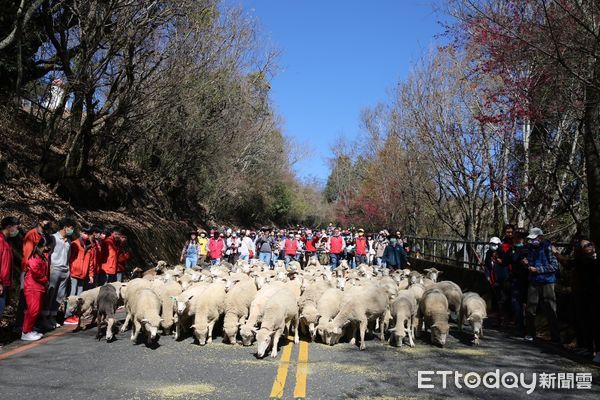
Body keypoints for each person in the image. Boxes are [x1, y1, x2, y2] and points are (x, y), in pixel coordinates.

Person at [14, 213, 52, 333]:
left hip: (41, 271)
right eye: (46, 220)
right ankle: (19, 326)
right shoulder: (32, 234)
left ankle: (31, 325)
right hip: (30, 271)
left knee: (37, 301)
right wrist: (26, 271)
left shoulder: (45, 235)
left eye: (49, 221)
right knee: (25, 299)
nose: (48, 223)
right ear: (40, 221)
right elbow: (27, 255)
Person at [523, 227, 560, 343]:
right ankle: (530, 333)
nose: (533, 241)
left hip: (547, 281)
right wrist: (526, 264)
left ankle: (555, 337)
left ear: (541, 237)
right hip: (534, 280)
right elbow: (530, 263)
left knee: (550, 308)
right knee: (530, 308)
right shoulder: (530, 248)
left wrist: (538, 269)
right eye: (531, 239)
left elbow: (554, 266)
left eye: (535, 238)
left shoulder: (549, 248)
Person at [566, 239, 600, 362]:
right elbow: (568, 264)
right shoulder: (582, 261)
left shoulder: (595, 260)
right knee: (585, 321)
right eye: (585, 246)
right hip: (585, 294)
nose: (589, 247)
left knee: (596, 323)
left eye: (590, 244)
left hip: (595, 295)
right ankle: (588, 348)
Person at [41, 218, 75, 330]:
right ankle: (44, 318)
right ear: (65, 227)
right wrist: (49, 268)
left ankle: (52, 316)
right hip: (54, 269)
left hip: (65, 270)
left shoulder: (69, 241)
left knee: (60, 295)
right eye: (71, 227)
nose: (72, 230)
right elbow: (47, 254)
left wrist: (68, 268)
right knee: (51, 294)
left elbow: (68, 256)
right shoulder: (53, 238)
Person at [22, 235, 54, 341]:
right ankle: (25, 332)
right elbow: (36, 272)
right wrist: (45, 280)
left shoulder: (41, 255)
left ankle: (29, 329)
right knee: (33, 310)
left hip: (38, 286)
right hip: (32, 286)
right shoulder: (35, 257)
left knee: (35, 310)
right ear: (45, 245)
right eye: (49, 246)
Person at [63, 226, 96, 325]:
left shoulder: (89, 246)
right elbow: (69, 258)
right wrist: (69, 269)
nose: (86, 235)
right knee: (72, 295)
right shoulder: (75, 244)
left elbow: (90, 262)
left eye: (88, 233)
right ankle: (68, 316)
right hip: (74, 273)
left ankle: (76, 315)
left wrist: (90, 275)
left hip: (83, 274)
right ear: (81, 233)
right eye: (84, 233)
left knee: (79, 296)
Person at [510, 229, 529, 337]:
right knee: (516, 304)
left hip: (526, 280)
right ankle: (519, 327)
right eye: (515, 237)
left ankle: (527, 328)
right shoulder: (513, 249)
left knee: (526, 305)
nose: (515, 239)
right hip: (515, 279)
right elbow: (508, 261)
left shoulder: (527, 249)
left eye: (518, 237)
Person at [0, 216, 20, 319]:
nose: (17, 230)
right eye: (16, 227)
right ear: (9, 227)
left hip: (5, 284)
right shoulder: (0, 241)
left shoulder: (6, 242)